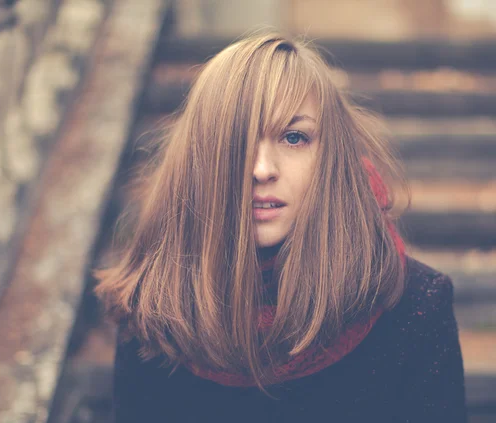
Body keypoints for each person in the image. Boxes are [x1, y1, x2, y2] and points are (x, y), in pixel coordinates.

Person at [94, 33, 467, 423]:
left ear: (330, 158)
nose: (262, 169)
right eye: (237, 142)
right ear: (202, 161)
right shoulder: (154, 313)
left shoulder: (414, 305)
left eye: (294, 137)